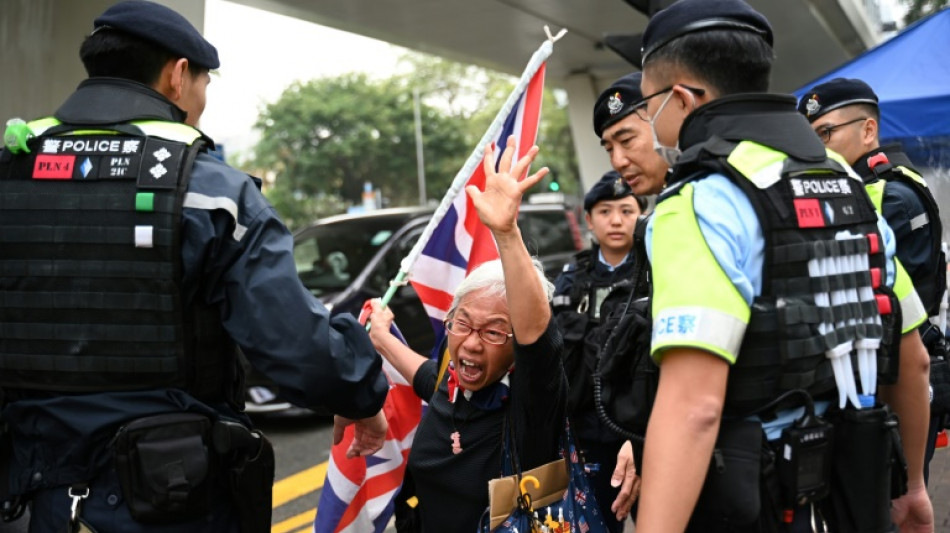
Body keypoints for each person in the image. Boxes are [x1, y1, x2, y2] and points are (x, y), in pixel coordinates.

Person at [0, 2, 388, 532]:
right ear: (178, 75)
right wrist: (360, 390)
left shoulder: (11, 176)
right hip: (167, 497)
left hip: (24, 495)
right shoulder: (213, 194)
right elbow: (296, 347)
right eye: (205, 83)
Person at [633, 0, 934, 531]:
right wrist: (912, 490)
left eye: (648, 103)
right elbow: (913, 360)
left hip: (753, 498)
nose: (649, 119)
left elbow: (694, 408)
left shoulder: (701, 202)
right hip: (857, 492)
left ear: (680, 97)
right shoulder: (849, 184)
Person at [365, 137, 566, 531]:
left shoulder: (532, 403)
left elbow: (537, 338)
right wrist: (382, 337)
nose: (471, 343)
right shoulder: (452, 381)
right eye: (462, 323)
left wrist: (506, 234)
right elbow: (428, 377)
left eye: (494, 332)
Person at [797, 78, 949, 483]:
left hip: (894, 374)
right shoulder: (859, 187)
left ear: (868, 130)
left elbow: (892, 306)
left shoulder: (888, 196)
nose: (816, 147)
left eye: (825, 133)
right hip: (872, 371)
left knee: (890, 498)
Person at [552, 170, 646, 531]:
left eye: (626, 210)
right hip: (587, 430)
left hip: (640, 427)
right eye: (605, 212)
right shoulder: (573, 275)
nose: (617, 220)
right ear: (589, 221)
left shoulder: (656, 270)